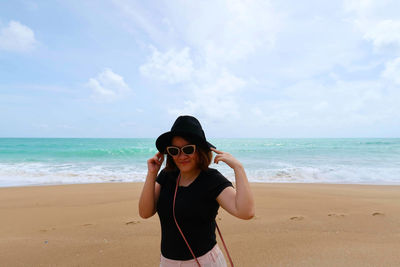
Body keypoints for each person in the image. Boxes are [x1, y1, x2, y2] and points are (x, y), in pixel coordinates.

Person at [139, 115, 255, 267]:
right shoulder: (166, 176)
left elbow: (246, 212)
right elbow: (145, 212)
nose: (181, 156)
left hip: (205, 262)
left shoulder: (212, 179)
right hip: (168, 262)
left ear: (199, 150)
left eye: (188, 149)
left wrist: (238, 168)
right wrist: (152, 173)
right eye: (174, 151)